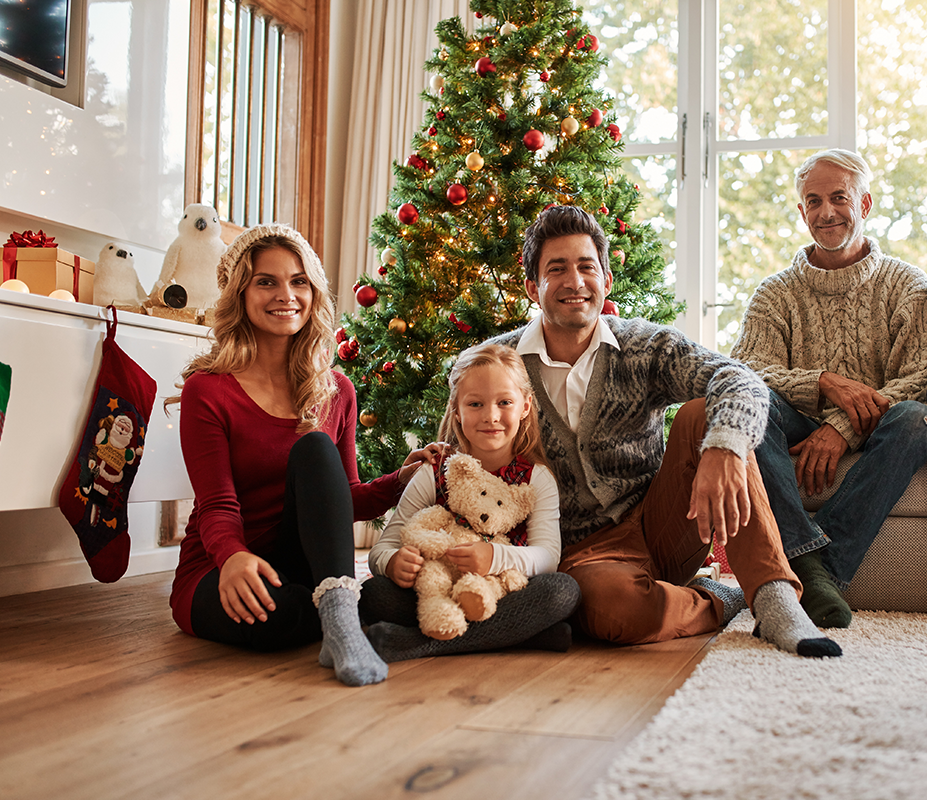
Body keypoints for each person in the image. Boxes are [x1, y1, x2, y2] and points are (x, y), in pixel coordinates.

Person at [488, 205, 841, 658]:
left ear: (607, 280)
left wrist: (725, 448)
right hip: (580, 555)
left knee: (701, 415)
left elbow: (741, 379)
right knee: (616, 611)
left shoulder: (643, 345)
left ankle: (774, 601)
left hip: (666, 524)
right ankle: (718, 599)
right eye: (557, 270)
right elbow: (457, 448)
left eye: (586, 267)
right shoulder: (498, 362)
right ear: (533, 287)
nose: (575, 282)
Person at [167, 224, 434, 687]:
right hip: (223, 564)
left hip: (304, 563)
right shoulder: (207, 391)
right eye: (265, 281)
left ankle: (338, 614)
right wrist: (231, 557)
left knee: (314, 446)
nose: (285, 294)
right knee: (281, 617)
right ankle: (345, 614)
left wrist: (400, 480)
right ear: (240, 293)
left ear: (313, 292)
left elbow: (343, 498)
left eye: (298, 281)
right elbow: (216, 505)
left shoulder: (336, 390)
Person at [731, 149, 927, 629]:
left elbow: (920, 375)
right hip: (800, 418)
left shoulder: (906, 284)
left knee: (916, 418)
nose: (827, 212)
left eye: (839, 198)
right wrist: (824, 383)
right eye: (814, 201)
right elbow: (743, 371)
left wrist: (842, 428)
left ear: (864, 204)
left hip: (882, 424)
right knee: (747, 405)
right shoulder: (774, 293)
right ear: (802, 212)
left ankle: (813, 567)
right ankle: (814, 567)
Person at [359, 343, 581, 660]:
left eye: (504, 402)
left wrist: (494, 557)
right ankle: (521, 634)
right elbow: (383, 548)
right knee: (374, 594)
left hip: (501, 592)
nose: (491, 416)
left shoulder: (536, 478)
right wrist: (392, 564)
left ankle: (415, 644)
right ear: (457, 411)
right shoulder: (434, 472)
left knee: (562, 591)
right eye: (475, 404)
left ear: (525, 406)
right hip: (437, 589)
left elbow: (547, 558)